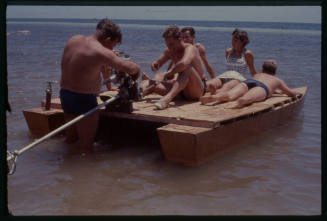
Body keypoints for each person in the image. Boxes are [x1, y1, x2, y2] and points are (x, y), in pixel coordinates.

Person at [60, 18, 141, 152]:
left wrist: (109, 84)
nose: (112, 50)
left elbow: (89, 61)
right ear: (108, 40)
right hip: (84, 100)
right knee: (86, 149)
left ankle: (62, 169)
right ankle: (83, 171)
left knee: (71, 140)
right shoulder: (101, 52)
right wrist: (137, 71)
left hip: (65, 95)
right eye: (112, 46)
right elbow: (130, 68)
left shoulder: (74, 39)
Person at [141, 25, 206, 110]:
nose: (169, 47)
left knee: (187, 68)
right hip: (180, 91)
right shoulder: (169, 50)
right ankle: (137, 94)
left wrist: (170, 73)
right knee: (148, 83)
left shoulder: (190, 48)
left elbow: (183, 64)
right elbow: (158, 63)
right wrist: (154, 65)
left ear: (179, 40)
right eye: (167, 45)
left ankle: (167, 99)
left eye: (171, 44)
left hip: (196, 90)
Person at [200, 60, 300, 108]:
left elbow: (276, 90)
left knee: (230, 95)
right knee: (247, 98)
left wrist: (276, 91)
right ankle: (239, 102)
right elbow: (290, 93)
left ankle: (216, 97)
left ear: (262, 69)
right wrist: (297, 93)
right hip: (262, 87)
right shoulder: (277, 80)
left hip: (249, 82)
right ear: (274, 72)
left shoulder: (257, 74)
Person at [204, 28, 257, 95]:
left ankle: (217, 92)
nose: (233, 42)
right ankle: (208, 89)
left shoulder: (247, 54)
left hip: (238, 79)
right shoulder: (228, 51)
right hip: (225, 76)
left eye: (236, 40)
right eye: (232, 40)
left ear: (242, 42)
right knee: (210, 83)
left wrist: (258, 83)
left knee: (227, 86)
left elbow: (253, 72)